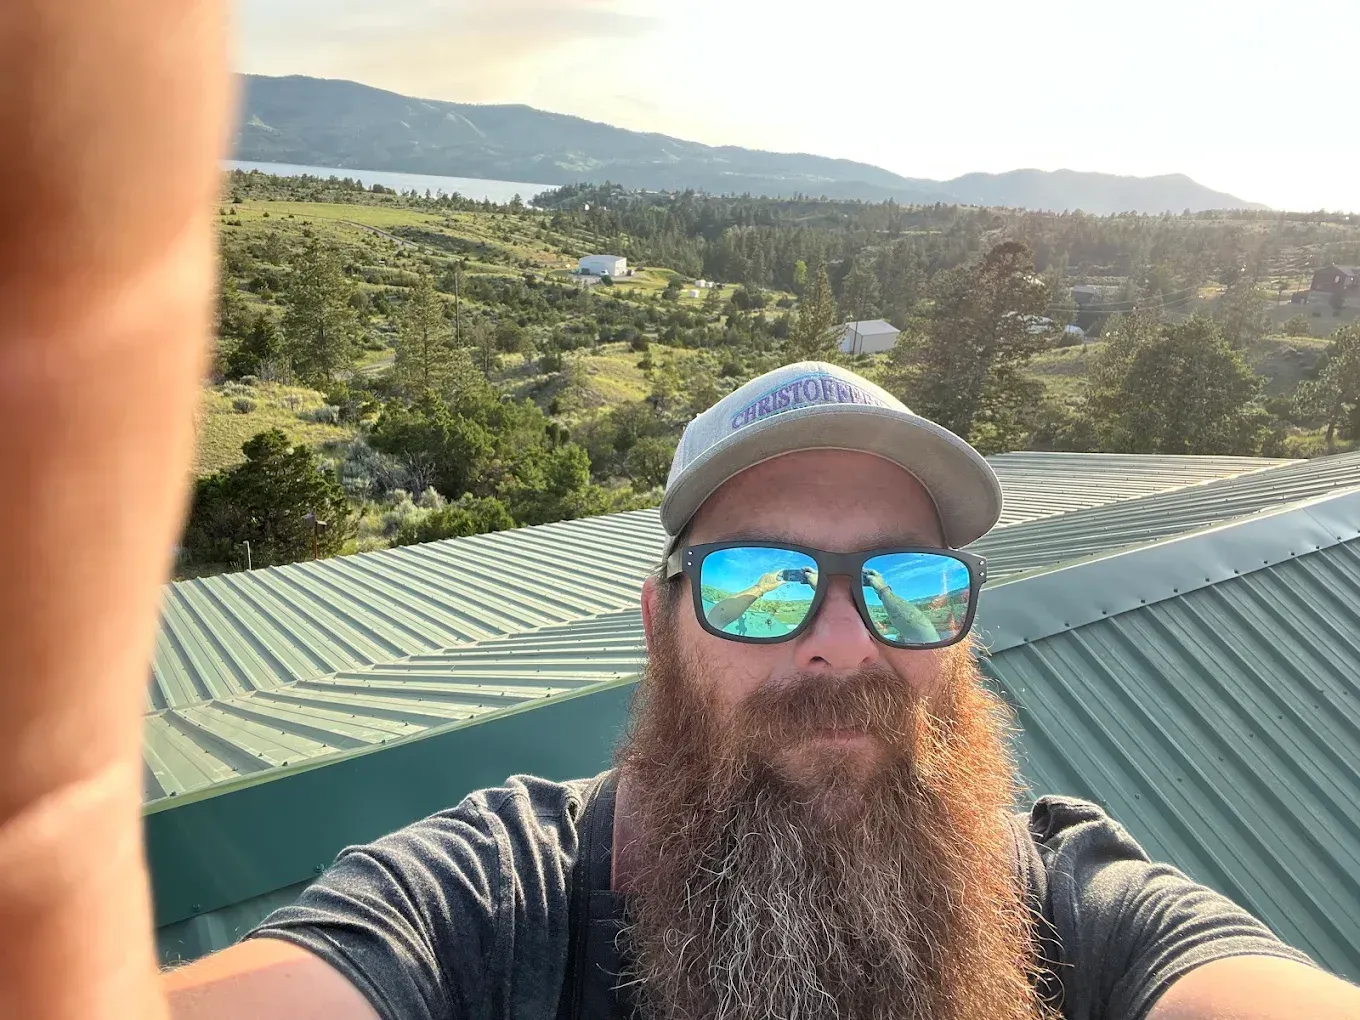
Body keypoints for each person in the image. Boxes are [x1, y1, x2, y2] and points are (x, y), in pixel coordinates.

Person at [162, 362, 1360, 1020]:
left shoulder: (1069, 914)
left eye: (907, 585)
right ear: (659, 624)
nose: (843, 643)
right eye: (761, 583)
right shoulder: (491, 905)